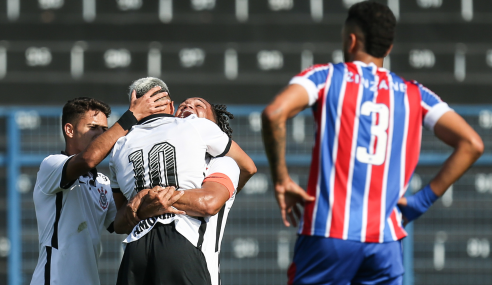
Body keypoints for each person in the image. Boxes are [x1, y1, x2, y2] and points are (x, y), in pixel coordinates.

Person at [261, 2, 484, 284]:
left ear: (350, 40)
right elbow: (472, 143)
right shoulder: (415, 94)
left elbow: (274, 114)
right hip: (385, 242)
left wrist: (281, 178)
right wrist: (420, 202)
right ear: (388, 48)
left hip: (328, 235)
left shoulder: (325, 77)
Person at [110, 78, 255, 285]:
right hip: (165, 251)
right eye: (183, 105)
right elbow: (119, 221)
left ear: (214, 128)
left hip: (189, 255)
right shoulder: (184, 141)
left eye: (199, 106)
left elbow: (209, 202)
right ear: (171, 111)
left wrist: (149, 201)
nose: (188, 107)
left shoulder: (223, 163)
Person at [30, 89, 171, 285]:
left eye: (104, 129)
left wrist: (147, 202)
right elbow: (88, 159)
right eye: (93, 127)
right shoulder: (51, 165)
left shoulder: (102, 182)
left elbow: (120, 223)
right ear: (69, 130)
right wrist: (132, 116)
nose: (100, 134)